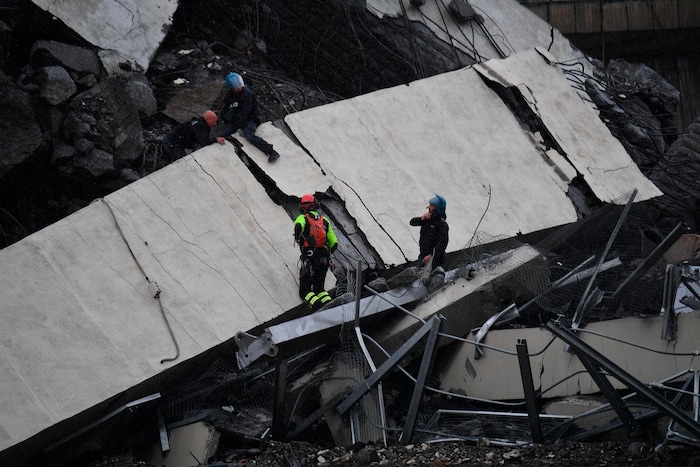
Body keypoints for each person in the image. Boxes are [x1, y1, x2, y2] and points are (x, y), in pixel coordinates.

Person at [217, 72, 280, 162]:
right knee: (222, 136)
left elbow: (245, 112)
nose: (238, 88)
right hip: (236, 121)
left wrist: (236, 125)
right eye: (236, 87)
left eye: (239, 86)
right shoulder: (229, 95)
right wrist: (224, 119)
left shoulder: (248, 94)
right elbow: (226, 108)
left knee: (249, 135)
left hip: (250, 120)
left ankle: (271, 151)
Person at [294, 194, 338, 311]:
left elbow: (298, 226)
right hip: (324, 258)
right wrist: (327, 253)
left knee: (305, 291)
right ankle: (332, 308)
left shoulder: (302, 218)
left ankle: (319, 310)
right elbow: (334, 243)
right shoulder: (324, 220)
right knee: (320, 289)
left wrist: (298, 237)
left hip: (309, 257)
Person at [410, 194, 449, 272]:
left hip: (435, 258)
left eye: (432, 205)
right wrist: (422, 218)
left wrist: (431, 255)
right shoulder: (428, 219)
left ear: (437, 208)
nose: (428, 207)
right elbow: (412, 222)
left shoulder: (442, 225)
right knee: (418, 276)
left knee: (429, 277)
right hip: (423, 254)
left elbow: (443, 243)